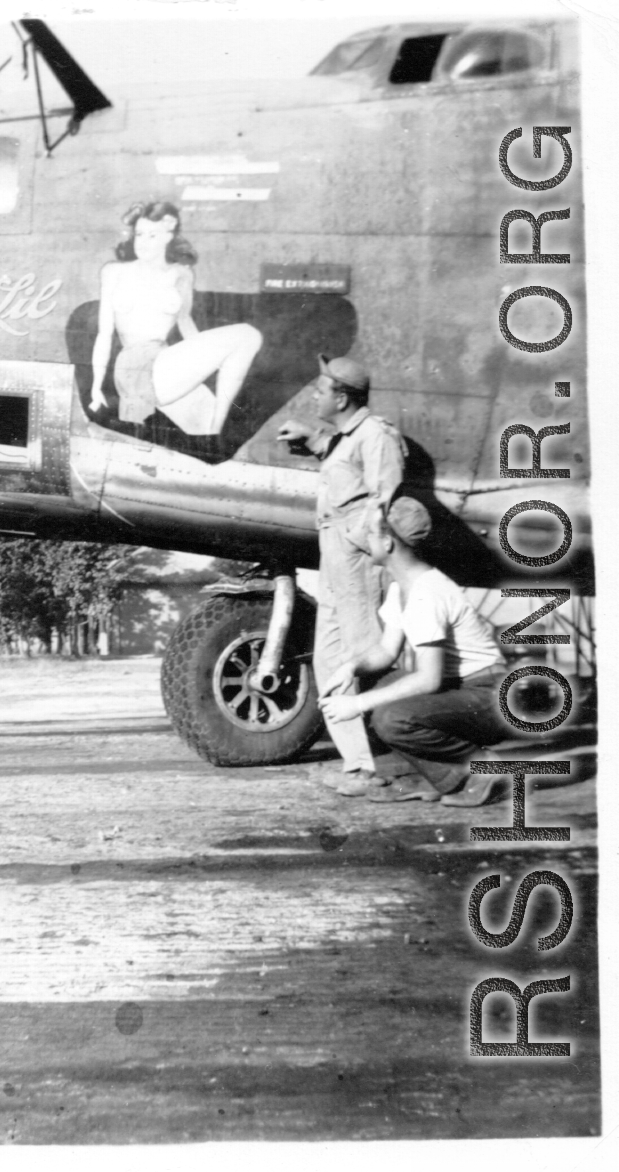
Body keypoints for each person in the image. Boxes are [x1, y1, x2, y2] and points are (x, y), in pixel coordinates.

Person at [319, 497, 511, 805]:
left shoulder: (426, 593)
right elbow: (385, 651)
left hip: (487, 696)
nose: (366, 542)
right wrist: (350, 668)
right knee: (373, 678)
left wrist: (357, 703)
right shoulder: (402, 587)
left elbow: (429, 680)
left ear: (387, 542)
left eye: (369, 535)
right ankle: (413, 775)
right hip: (461, 691)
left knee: (393, 718)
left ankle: (485, 769)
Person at [277, 355, 406, 788]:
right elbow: (341, 465)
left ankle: (399, 762)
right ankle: (359, 763)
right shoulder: (346, 437)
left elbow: (383, 501)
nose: (315, 395)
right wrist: (312, 439)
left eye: (321, 389)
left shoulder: (377, 436)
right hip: (332, 554)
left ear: (343, 397)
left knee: (367, 653)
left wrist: (356, 544)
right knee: (330, 659)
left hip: (354, 555)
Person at [89, 201, 262, 436]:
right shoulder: (114, 272)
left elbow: (186, 324)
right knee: (248, 335)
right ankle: (215, 429)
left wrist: (210, 360)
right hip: (133, 366)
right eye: (139, 234)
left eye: (152, 235)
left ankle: (213, 432)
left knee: (206, 431)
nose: (143, 241)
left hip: (165, 364)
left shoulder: (182, 274)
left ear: (168, 236)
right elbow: (104, 333)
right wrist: (96, 386)